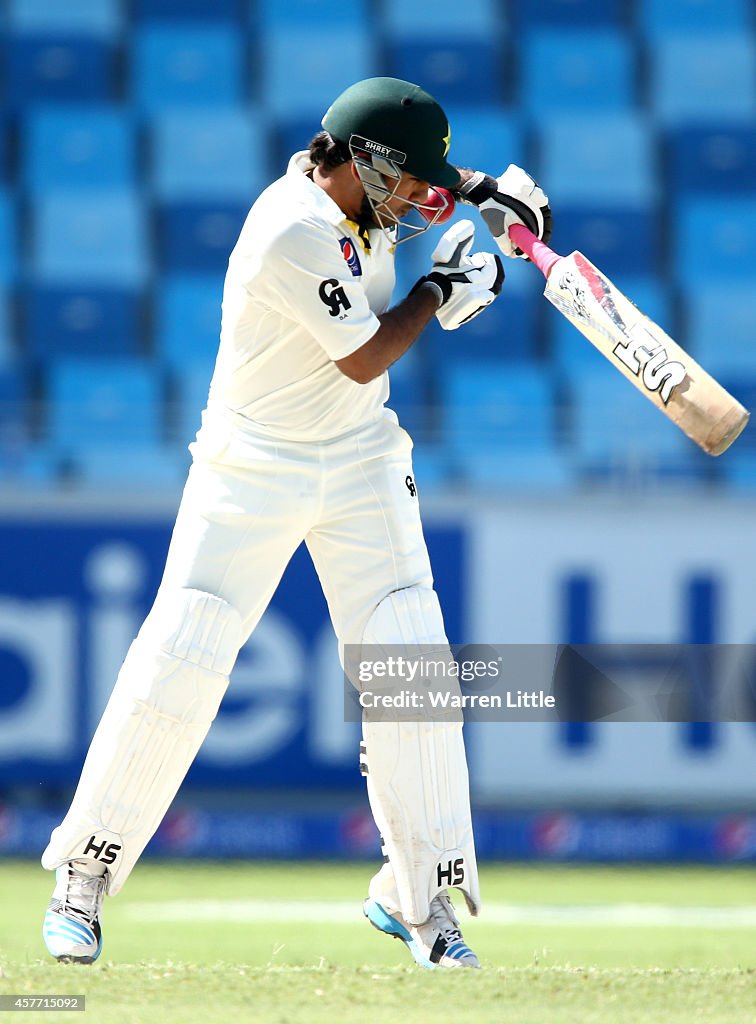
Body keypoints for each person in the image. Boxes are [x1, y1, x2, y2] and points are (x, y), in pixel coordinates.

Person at [41, 77, 551, 970]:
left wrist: (488, 192)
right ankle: (83, 876)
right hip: (252, 464)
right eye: (411, 178)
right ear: (361, 163)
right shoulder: (291, 227)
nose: (420, 198)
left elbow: (427, 198)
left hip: (360, 462)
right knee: (184, 652)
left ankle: (420, 898)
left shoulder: (361, 192)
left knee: (412, 662)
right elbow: (363, 357)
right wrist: (443, 288)